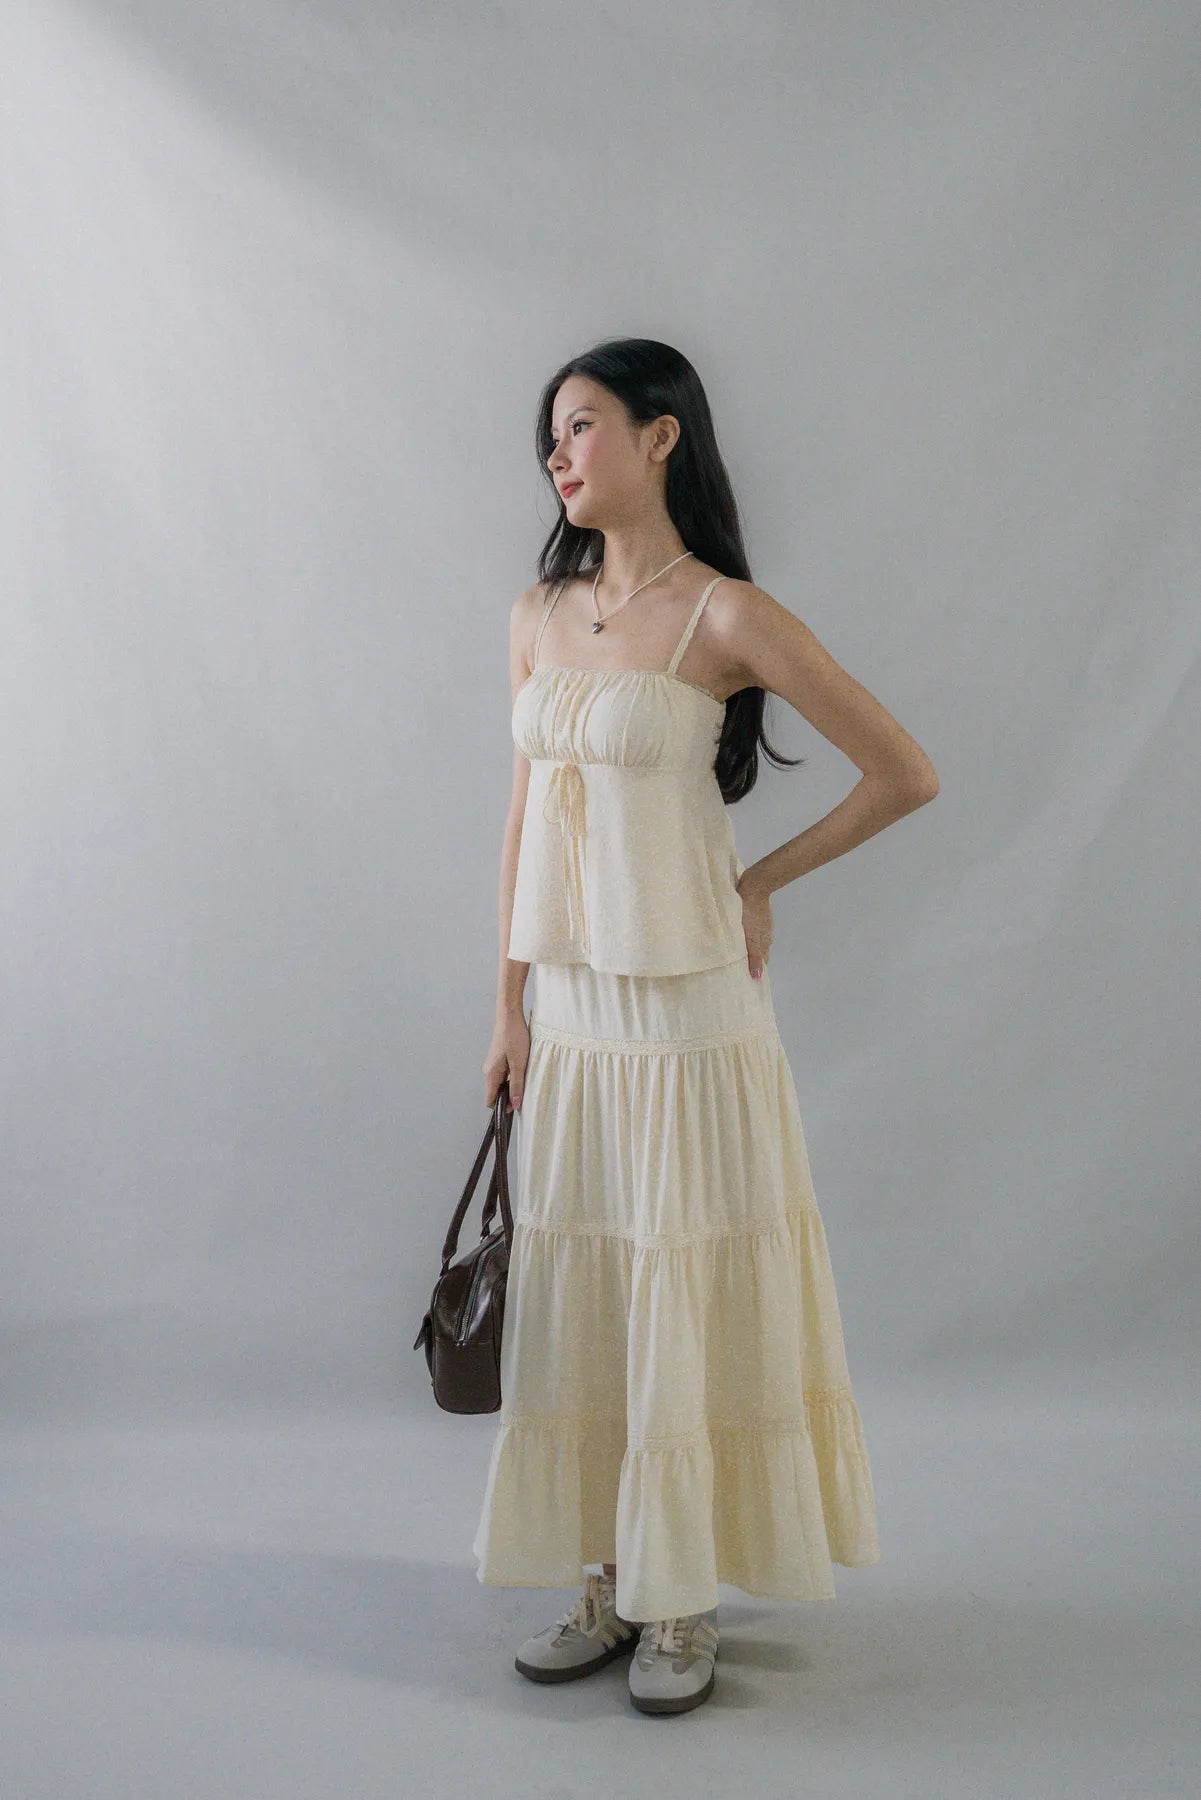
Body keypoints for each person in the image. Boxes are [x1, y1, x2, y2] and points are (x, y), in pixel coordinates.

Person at [473, 338, 938, 1716]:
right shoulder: (536, 613)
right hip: (573, 1012)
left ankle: (680, 1599)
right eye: (551, 436)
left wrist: (755, 882)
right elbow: (519, 822)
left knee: (675, 1282)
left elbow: (902, 771)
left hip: (685, 1009)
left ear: (661, 435)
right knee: (590, 1292)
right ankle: (610, 1578)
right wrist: (506, 1006)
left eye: (581, 426)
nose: (558, 455)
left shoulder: (723, 615)